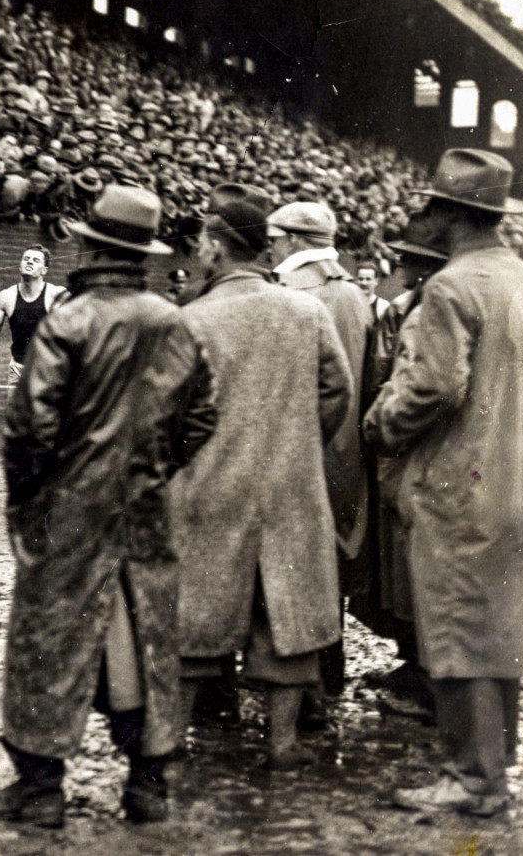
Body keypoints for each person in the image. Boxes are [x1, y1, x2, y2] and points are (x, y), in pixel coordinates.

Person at [0, 185, 217, 827]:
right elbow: (203, 416)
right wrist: (158, 468)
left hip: (71, 508)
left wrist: (29, 501)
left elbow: (29, 428)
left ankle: (40, 785)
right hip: (142, 504)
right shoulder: (174, 321)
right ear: (142, 253)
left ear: (89, 244)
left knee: (50, 634)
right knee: (145, 632)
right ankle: (147, 784)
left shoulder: (69, 321)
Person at [363, 149, 523, 815]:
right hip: (521, 485)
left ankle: (472, 779)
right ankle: (492, 767)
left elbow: (433, 387)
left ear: (451, 213)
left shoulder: (450, 286)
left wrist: (381, 423)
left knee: (456, 633)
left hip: (460, 487)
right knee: (498, 633)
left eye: (433, 208)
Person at [170, 195, 353, 770]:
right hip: (289, 484)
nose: (198, 252)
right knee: (288, 614)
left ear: (219, 247)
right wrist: (297, 441)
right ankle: (282, 744)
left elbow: (167, 408)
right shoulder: (306, 312)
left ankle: (169, 745)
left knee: (197, 613)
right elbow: (338, 390)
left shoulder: (191, 319)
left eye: (201, 242)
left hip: (209, 484)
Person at [266, 200, 372, 706]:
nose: (268, 244)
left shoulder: (293, 294)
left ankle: (307, 690)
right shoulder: (353, 294)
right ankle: (327, 679)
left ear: (291, 241)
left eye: (273, 236)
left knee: (298, 570)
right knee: (329, 568)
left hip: (304, 451)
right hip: (347, 454)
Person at [352, 217, 450, 718]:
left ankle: (425, 677)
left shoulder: (432, 307)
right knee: (400, 565)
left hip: (414, 450)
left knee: (417, 567)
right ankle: (413, 661)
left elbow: (418, 384)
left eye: (410, 256)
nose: (401, 263)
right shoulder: (411, 304)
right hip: (405, 453)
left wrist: (377, 422)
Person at [0, 245, 66, 387]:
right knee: (16, 409)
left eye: (36, 260)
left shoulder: (56, 295)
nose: (29, 262)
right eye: (26, 259)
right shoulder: (6, 297)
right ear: (20, 266)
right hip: (18, 368)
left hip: (47, 370)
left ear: (44, 270)